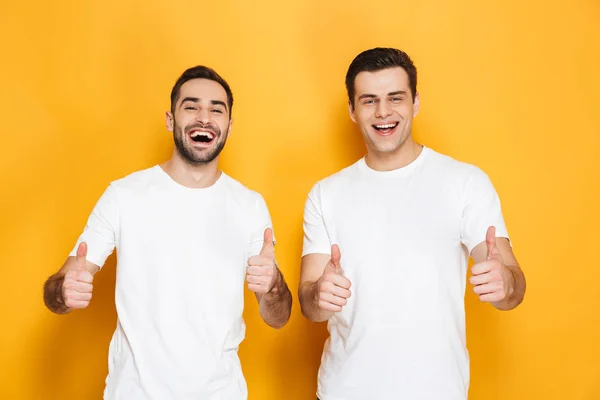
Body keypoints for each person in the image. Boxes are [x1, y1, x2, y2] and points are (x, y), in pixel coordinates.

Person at [43, 65, 292, 400]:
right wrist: (63, 291)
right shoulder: (124, 195)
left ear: (229, 127)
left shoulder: (249, 205)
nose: (204, 117)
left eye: (216, 109)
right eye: (191, 106)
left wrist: (273, 284)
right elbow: (58, 291)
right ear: (170, 120)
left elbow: (278, 318)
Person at [298, 47, 526, 400]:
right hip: (345, 390)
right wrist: (319, 294)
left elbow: (512, 287)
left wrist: (504, 282)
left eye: (396, 98)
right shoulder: (325, 195)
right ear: (352, 110)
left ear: (415, 102)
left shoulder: (465, 183)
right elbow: (309, 305)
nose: (383, 112)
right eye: (369, 100)